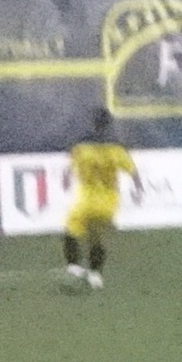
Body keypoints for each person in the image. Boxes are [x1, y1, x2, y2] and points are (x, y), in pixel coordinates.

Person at [61, 109, 143, 291]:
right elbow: (133, 172)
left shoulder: (81, 147)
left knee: (71, 229)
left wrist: (65, 180)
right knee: (96, 238)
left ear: (92, 123)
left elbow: (68, 169)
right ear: (109, 124)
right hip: (109, 202)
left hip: (86, 200)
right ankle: (95, 275)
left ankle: (74, 267)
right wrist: (139, 190)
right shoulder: (117, 149)